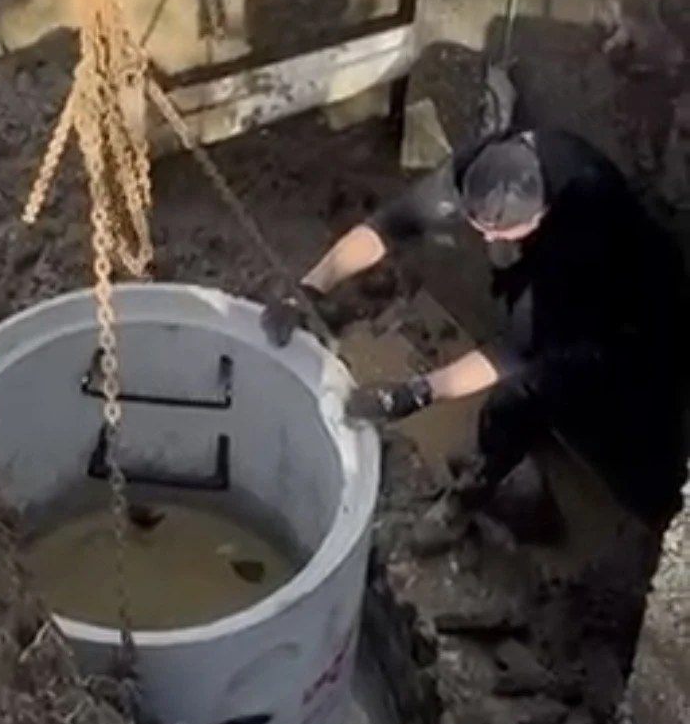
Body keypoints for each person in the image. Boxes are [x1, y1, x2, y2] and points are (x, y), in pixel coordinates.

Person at [266, 125, 689, 532]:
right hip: (554, 272)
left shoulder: (581, 227)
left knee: (524, 405)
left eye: (497, 231)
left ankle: (478, 496)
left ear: (539, 215)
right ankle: (500, 473)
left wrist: (415, 394)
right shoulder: (486, 167)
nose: (485, 241)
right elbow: (391, 225)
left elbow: (513, 352)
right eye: (479, 227)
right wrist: (308, 289)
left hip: (630, 313)